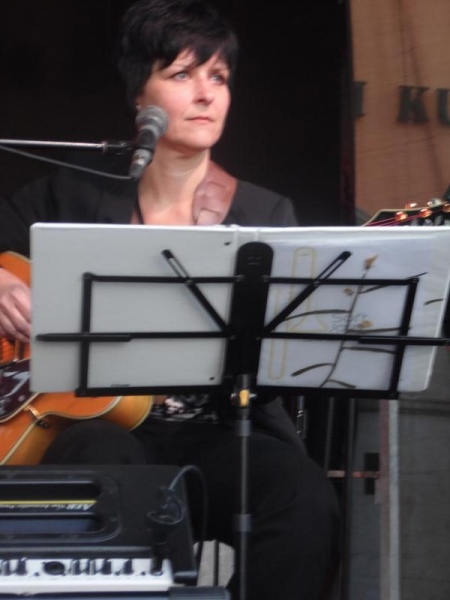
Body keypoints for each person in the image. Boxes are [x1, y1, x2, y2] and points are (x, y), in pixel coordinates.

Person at [0, 0, 339, 598]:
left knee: (302, 496)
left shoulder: (262, 214)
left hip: (218, 430)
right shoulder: (69, 196)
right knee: (103, 465)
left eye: (219, 77)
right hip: (89, 426)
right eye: (182, 74)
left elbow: (286, 364)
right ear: (140, 95)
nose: (206, 94)